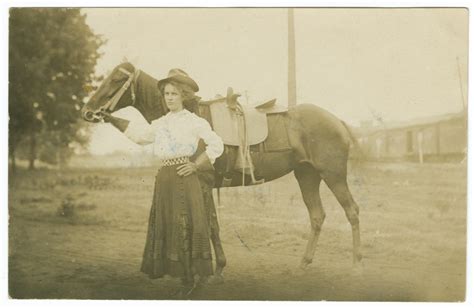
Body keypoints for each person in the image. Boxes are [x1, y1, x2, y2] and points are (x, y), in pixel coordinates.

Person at [102, 69, 224, 295]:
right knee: (170, 226)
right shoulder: (159, 123)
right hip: (165, 180)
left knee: (186, 225)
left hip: (186, 177)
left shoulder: (195, 122)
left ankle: (191, 279)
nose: (169, 98)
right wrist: (111, 119)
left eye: (174, 94)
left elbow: (216, 145)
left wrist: (196, 165)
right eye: (166, 93)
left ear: (184, 96)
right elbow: (140, 137)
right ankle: (184, 276)